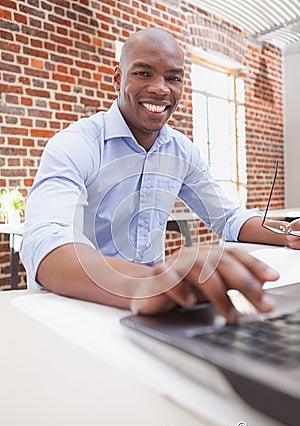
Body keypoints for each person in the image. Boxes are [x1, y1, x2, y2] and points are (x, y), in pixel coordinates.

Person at [20, 28, 300, 323]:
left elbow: (229, 217)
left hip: (160, 307)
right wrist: (145, 284)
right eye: (143, 73)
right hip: (79, 308)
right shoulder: (77, 143)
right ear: (118, 77)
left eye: (173, 78)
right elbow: (45, 243)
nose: (160, 88)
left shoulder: (181, 151)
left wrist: (289, 232)